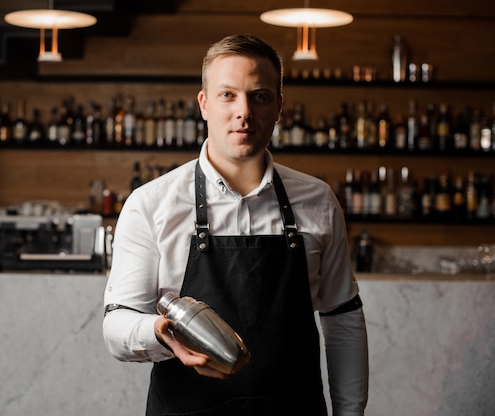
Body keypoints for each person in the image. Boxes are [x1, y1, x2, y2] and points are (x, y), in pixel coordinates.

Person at [102, 33, 368, 415]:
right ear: (204, 103)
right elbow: (117, 325)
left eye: (259, 95)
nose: (243, 111)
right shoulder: (151, 203)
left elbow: (343, 319)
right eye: (228, 95)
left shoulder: (318, 200)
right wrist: (159, 333)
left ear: (278, 106)